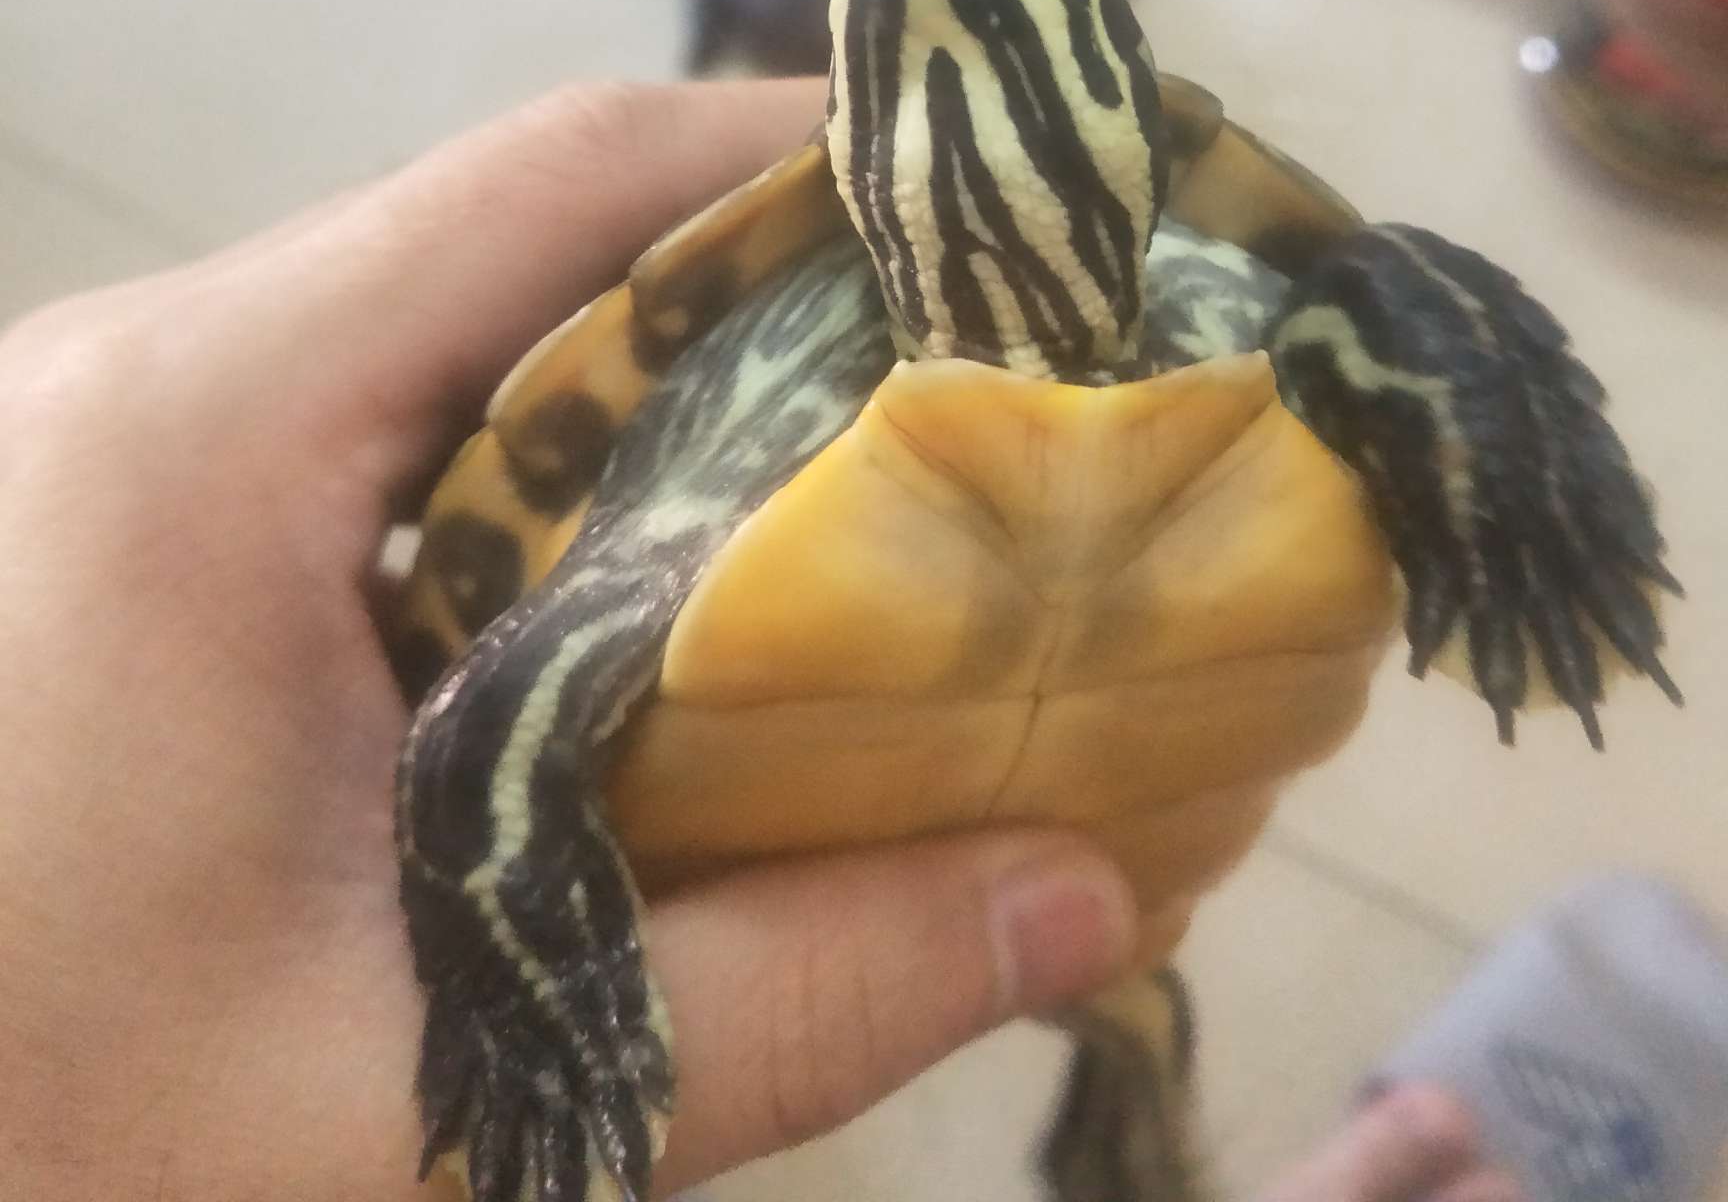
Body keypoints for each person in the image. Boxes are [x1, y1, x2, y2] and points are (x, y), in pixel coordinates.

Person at [0, 78, 1520, 1202]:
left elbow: (1384, 301)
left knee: (1123, 998)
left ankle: (1130, 1120)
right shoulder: (791, 334)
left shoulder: (1231, 291)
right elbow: (492, 712)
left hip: (1119, 809)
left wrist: (1525, 513)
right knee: (540, 790)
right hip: (673, 842)